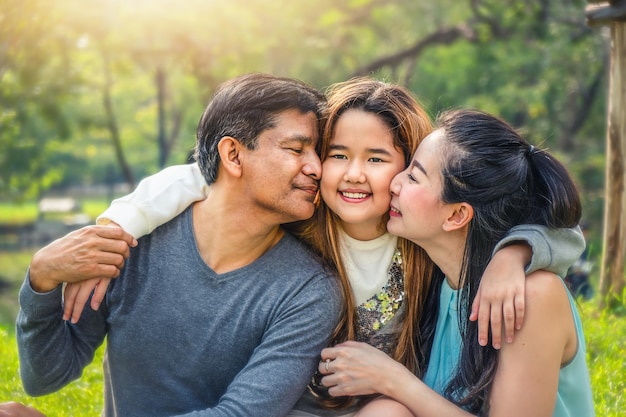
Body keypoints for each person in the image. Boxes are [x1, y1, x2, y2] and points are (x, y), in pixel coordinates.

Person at [61, 78, 585, 416]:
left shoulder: (437, 257)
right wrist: (117, 224)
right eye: (335, 154)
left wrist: (514, 253)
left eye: (383, 162)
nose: (355, 175)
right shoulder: (302, 216)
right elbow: (201, 178)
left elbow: (554, 227)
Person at [16, 73, 343, 417]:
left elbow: (241, 414)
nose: (317, 168)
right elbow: (45, 377)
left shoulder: (309, 289)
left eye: (316, 153)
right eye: (296, 149)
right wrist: (41, 280)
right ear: (233, 154)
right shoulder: (133, 243)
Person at [315, 109, 594, 417]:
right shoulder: (438, 275)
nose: (395, 183)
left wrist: (392, 378)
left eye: (413, 176)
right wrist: (515, 252)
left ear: (457, 216)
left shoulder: (529, 295)